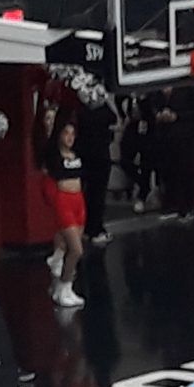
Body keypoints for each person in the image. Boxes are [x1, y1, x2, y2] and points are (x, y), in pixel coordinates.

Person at [43, 118, 87, 308]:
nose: (69, 137)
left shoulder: (76, 153)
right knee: (76, 249)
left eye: (72, 134)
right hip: (64, 201)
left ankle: (63, 281)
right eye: (65, 133)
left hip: (79, 200)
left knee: (66, 242)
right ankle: (64, 286)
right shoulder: (53, 155)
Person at [147, 86, 194, 220]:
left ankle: (187, 208)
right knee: (167, 172)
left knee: (185, 172)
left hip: (184, 136)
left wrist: (177, 116)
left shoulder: (187, 88)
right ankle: (170, 206)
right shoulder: (157, 89)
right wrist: (157, 115)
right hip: (164, 136)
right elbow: (151, 106)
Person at [76, 88, 116, 246]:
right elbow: (113, 118)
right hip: (99, 155)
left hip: (83, 154)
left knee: (85, 194)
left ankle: (85, 229)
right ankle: (95, 229)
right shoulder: (102, 108)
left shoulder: (78, 107)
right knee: (97, 195)